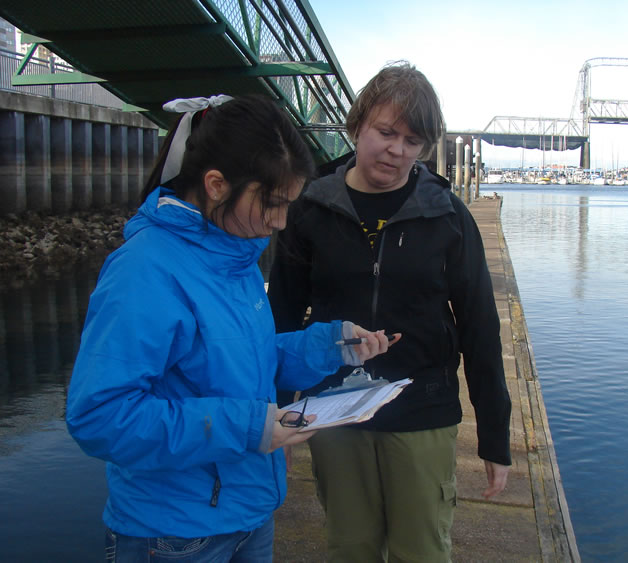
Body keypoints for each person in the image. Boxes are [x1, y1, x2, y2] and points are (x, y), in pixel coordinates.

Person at [65, 94, 395, 562]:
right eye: (274, 204)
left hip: (248, 512)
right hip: (174, 534)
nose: (281, 222)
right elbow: (99, 416)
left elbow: (244, 360)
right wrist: (250, 427)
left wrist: (332, 345)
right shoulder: (144, 270)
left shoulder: (235, 254)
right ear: (217, 184)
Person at [268, 61, 512, 562]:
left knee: (421, 550)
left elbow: (480, 326)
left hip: (423, 409)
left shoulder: (448, 216)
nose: (397, 150)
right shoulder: (310, 208)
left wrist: (494, 435)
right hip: (332, 410)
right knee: (349, 547)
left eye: (412, 140)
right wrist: (276, 410)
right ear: (356, 126)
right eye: (385, 132)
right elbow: (282, 317)